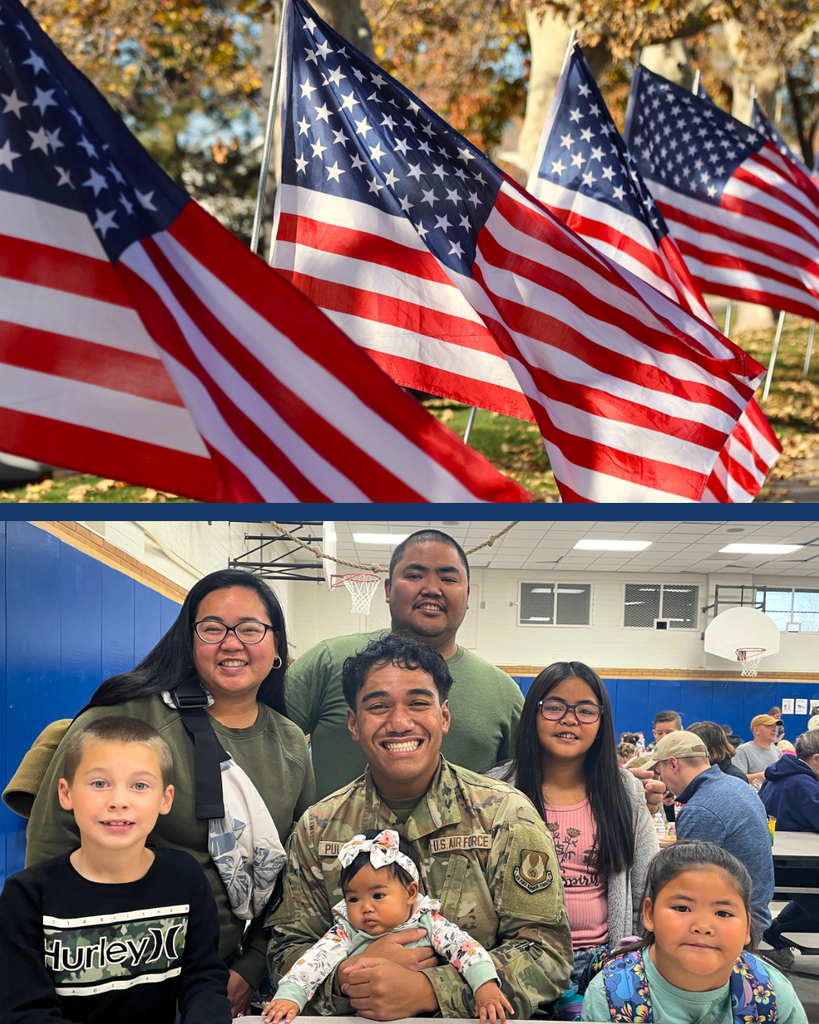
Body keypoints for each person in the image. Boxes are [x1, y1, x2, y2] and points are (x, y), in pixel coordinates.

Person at [25, 568, 316, 1017]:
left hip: (221, 980)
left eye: (251, 629)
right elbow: (50, 850)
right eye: (213, 628)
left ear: (276, 646)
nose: (232, 643)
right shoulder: (128, 718)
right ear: (190, 639)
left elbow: (298, 872)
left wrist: (250, 965)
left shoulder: (292, 742)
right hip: (109, 976)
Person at [266, 633, 573, 1019]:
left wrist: (432, 990)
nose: (399, 722)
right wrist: (346, 977)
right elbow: (284, 948)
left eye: (418, 703)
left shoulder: (504, 815)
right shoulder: (319, 827)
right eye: (378, 706)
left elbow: (547, 950)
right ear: (353, 723)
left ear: (444, 716)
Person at [0, 716, 231, 1024]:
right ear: (66, 794)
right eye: (99, 783)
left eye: (139, 785)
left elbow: (203, 978)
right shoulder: (27, 895)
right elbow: (25, 1012)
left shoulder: (184, 876)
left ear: (165, 798)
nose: (119, 801)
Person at [284, 530, 525, 799]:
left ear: (467, 596)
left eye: (447, 578)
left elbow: (529, 780)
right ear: (388, 589)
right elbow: (263, 742)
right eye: (414, 576)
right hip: (333, 839)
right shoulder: (328, 662)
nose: (432, 589)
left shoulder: (503, 692)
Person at [489, 662, 659, 993]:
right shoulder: (495, 789)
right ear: (533, 715)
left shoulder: (625, 790)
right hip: (517, 958)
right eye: (554, 707)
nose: (569, 719)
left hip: (603, 961)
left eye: (585, 710)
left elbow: (645, 883)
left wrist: (638, 954)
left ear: (601, 722)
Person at [263, 829, 513, 1024]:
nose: (365, 908)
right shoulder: (346, 931)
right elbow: (313, 962)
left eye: (378, 896)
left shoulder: (428, 921)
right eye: (353, 899)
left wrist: (485, 986)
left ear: (410, 892)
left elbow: (465, 948)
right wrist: (290, 996)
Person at [580, 842, 808, 1024]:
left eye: (723, 913)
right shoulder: (611, 997)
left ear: (748, 927)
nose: (702, 926)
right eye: (682, 908)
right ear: (649, 914)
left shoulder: (771, 993)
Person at [642, 731, 775, 939]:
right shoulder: (738, 786)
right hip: (752, 913)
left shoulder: (701, 809)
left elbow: (684, 883)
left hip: (731, 926)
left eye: (660, 772)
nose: (663, 780)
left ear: (673, 764)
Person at [759, 730, 819, 967]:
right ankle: (774, 935)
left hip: (782, 866)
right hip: (801, 868)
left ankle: (775, 931)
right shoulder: (804, 784)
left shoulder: (780, 776)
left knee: (809, 902)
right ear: (816, 759)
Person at [731, 714, 782, 786]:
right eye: (769, 726)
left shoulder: (777, 751)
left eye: (775, 726)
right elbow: (736, 779)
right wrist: (765, 775)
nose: (774, 729)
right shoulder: (743, 751)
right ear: (756, 730)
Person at [652, 711, 682, 821]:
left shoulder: (687, 760)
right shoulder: (650, 762)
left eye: (669, 733)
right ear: (654, 733)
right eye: (660, 733)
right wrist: (662, 803)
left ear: (680, 732)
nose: (664, 737)